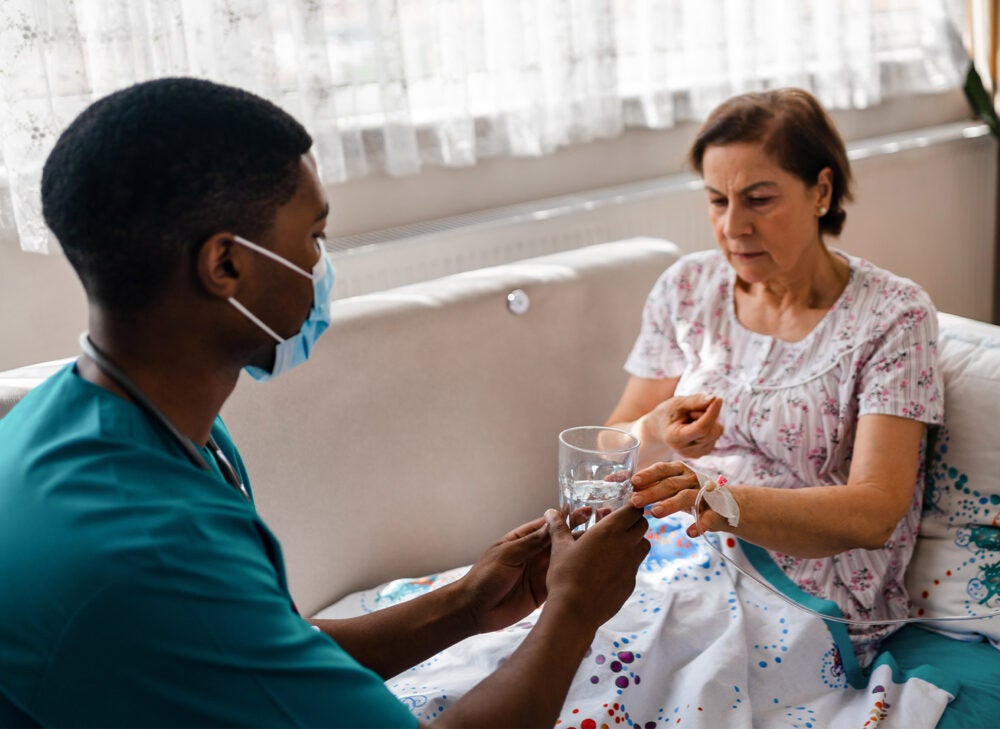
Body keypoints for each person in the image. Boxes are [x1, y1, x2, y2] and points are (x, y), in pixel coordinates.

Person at [0, 77, 649, 728]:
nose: (321, 266)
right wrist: (574, 608)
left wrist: (468, 605)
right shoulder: (147, 545)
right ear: (225, 265)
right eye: (314, 238)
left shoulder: (95, 419)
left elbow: (264, 657)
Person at [606, 88, 944, 665]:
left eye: (758, 199)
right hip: (680, 551)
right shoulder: (687, 288)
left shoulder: (894, 316)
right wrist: (654, 428)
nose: (733, 227)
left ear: (821, 191)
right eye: (717, 201)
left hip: (806, 592)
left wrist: (721, 500)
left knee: (625, 670)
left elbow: (874, 512)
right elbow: (608, 445)